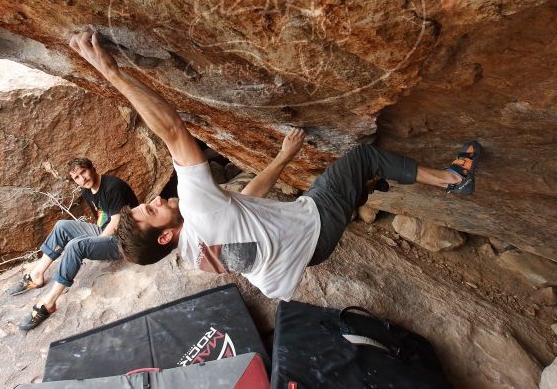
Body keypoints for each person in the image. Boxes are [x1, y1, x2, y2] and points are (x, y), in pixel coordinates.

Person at [69, 31, 480, 301]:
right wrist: (110, 70)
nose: (157, 199)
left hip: (301, 258)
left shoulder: (193, 254)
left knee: (334, 185)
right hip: (311, 229)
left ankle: (368, 186)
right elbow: (174, 130)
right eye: (152, 210)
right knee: (361, 157)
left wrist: (284, 157)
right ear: (165, 237)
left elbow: (246, 202)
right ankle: (452, 180)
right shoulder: (197, 210)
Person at [10, 157, 138, 330]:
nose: (82, 179)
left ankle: (49, 303)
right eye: (76, 177)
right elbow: (102, 220)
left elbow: (116, 223)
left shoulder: (112, 186)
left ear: (92, 168)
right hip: (105, 233)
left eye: (83, 172)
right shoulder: (87, 191)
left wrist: (92, 244)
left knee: (76, 245)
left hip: (125, 239)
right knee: (61, 226)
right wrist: (93, 240)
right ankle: (37, 275)